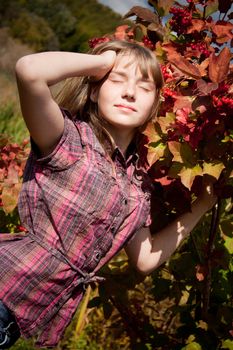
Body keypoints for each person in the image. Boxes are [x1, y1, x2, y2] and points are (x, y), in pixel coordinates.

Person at [0, 40, 216, 348]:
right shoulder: (67, 138)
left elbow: (144, 259)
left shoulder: (138, 184)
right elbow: (29, 69)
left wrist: (203, 205)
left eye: (144, 87)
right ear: (92, 90)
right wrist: (105, 62)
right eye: (117, 81)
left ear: (155, 104)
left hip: (11, 324)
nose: (129, 92)